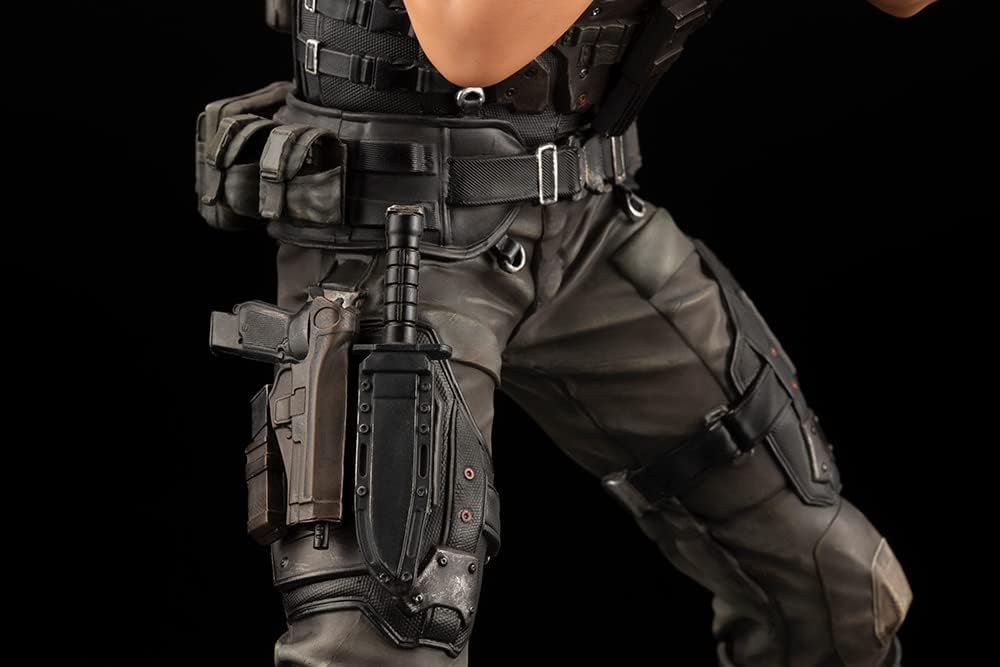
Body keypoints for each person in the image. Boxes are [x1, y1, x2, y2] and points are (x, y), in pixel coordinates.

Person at [198, 1, 933, 664]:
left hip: (586, 211)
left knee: (839, 596)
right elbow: (471, 39)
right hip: (398, 224)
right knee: (389, 629)